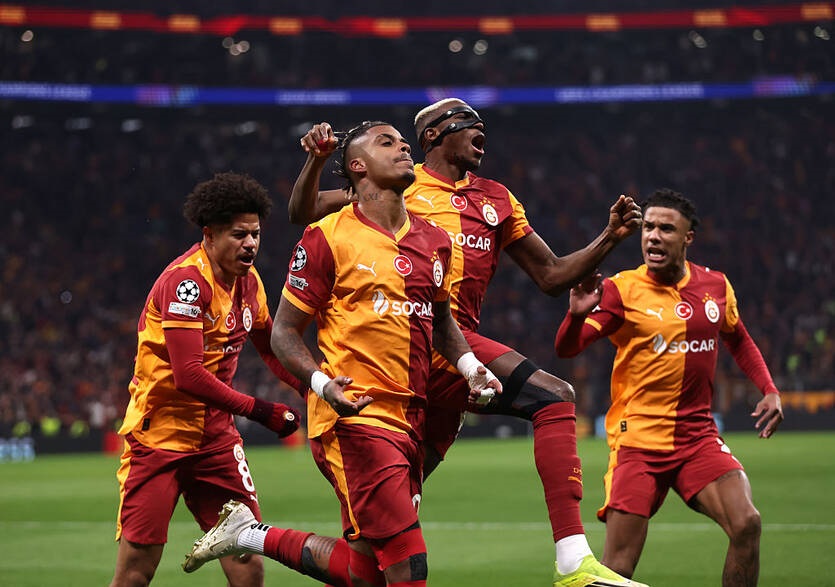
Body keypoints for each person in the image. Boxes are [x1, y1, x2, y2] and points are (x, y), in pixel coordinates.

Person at [286, 99, 649, 586]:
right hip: (415, 347)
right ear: (434, 135)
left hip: (451, 355)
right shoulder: (396, 186)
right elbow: (304, 211)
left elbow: (550, 275)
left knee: (370, 565)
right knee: (553, 396)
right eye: (468, 123)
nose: (481, 131)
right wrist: (315, 161)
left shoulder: (497, 199)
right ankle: (573, 561)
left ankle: (251, 535)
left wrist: (608, 238)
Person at [183, 121, 501, 587]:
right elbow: (284, 333)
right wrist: (321, 385)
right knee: (408, 564)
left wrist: (472, 367)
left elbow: (442, 323)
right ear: (357, 166)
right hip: (356, 418)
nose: (403, 148)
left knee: (364, 573)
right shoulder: (328, 236)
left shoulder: (435, 241)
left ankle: (247, 534)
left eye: (403, 142)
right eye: (387, 143)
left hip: (411, 417)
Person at [554, 188, 784, 586]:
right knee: (618, 568)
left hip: (698, 438)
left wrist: (769, 388)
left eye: (666, 229)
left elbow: (738, 338)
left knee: (747, 523)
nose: (653, 237)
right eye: (648, 228)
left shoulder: (716, 285)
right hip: (639, 442)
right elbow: (567, 348)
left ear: (687, 237)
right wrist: (575, 317)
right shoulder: (622, 289)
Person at [109, 172, 304, 587]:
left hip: (216, 441)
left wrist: (316, 387)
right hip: (160, 438)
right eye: (239, 235)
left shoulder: (250, 283)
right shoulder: (186, 283)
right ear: (210, 235)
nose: (250, 244)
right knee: (136, 573)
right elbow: (189, 376)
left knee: (248, 566)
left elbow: (273, 349)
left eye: (255, 234)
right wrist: (263, 411)